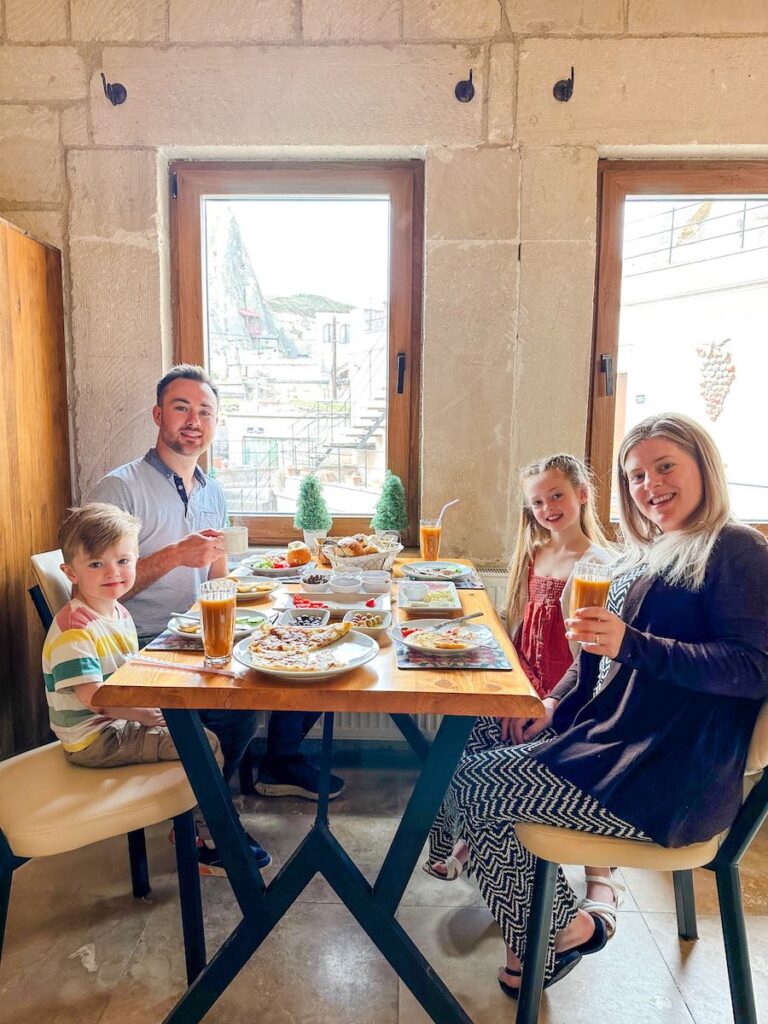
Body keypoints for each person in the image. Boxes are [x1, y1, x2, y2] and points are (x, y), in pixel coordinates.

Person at [429, 413, 768, 996]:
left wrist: (634, 643)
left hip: (664, 771)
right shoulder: (655, 549)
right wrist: (553, 701)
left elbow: (752, 667)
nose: (649, 485)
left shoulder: (736, 549)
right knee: (479, 723)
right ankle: (528, 918)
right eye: (636, 476)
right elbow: (597, 656)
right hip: (613, 741)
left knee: (474, 784)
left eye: (665, 467)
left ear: (703, 467)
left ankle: (566, 928)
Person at [88, 364, 343, 806]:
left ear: (215, 424)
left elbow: (215, 580)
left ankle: (277, 765)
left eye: (205, 412)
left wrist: (263, 605)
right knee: (233, 708)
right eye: (181, 408)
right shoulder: (120, 489)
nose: (193, 422)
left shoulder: (213, 491)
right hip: (145, 641)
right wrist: (174, 555)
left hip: (200, 634)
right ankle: (210, 824)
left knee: (307, 646)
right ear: (158, 415)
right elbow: (96, 593)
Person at [425, 454, 623, 937]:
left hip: (570, 700)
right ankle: (476, 832)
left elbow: (592, 662)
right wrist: (511, 691)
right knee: (466, 731)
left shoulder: (602, 563)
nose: (548, 507)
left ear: (582, 494)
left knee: (504, 748)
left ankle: (599, 872)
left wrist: (542, 704)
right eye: (537, 501)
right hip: (529, 685)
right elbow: (522, 629)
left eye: (556, 495)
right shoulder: (534, 553)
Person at [42, 502, 247, 876]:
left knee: (201, 727)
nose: (113, 573)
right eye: (96, 565)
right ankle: (211, 839)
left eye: (123, 561)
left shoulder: (115, 610)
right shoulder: (76, 629)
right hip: (96, 739)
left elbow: (128, 667)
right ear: (69, 572)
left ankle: (198, 824)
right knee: (206, 744)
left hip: (116, 721)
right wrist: (142, 714)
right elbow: (94, 698)